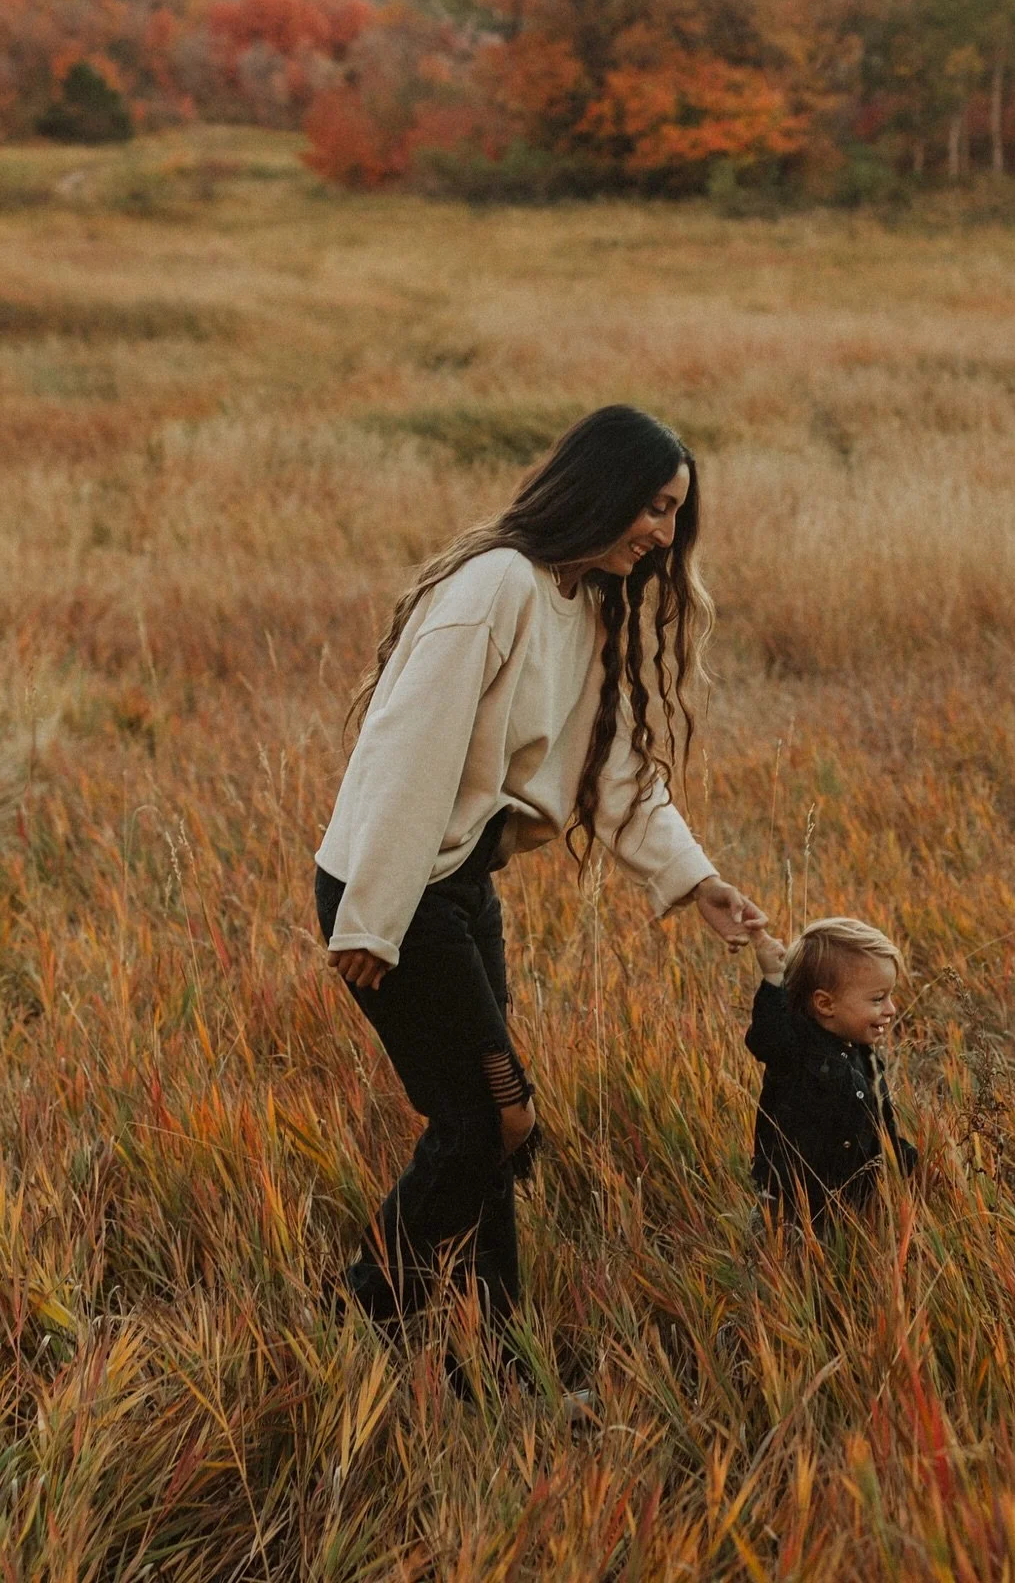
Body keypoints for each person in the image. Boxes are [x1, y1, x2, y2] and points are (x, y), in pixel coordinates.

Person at [314, 405, 764, 1375]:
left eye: (675, 515)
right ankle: (366, 1308)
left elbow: (612, 773)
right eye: (654, 506)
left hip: (458, 889)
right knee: (494, 1119)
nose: (664, 535)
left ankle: (492, 1348)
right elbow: (407, 753)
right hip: (396, 893)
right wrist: (375, 920)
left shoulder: (584, 606)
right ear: (598, 488)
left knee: (490, 1130)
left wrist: (699, 883)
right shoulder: (498, 587)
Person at [744, 918, 916, 1231]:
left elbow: (878, 1123)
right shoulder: (795, 1050)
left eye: (890, 996)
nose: (891, 1009)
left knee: (841, 1267)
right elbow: (766, 1037)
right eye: (878, 999)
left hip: (849, 1203)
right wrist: (773, 978)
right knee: (788, 1272)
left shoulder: (863, 1056)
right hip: (791, 1209)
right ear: (825, 1003)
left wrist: (905, 1162)